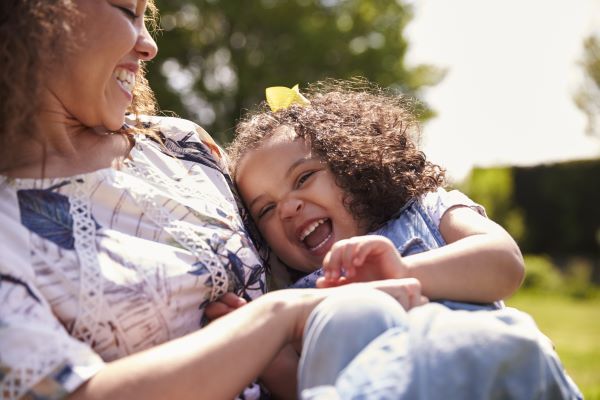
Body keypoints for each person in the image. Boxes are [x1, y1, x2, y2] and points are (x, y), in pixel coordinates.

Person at [0, 2, 581, 400]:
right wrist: (271, 323)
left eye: (147, 15)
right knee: (483, 351)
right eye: (127, 12)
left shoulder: (178, 144)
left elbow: (496, 260)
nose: (149, 44)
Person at [227, 80, 524, 308]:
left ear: (351, 163)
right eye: (265, 209)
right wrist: (259, 342)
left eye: (303, 178)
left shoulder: (427, 209)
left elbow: (505, 262)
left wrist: (400, 271)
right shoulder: (299, 299)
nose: (288, 208)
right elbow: (301, 383)